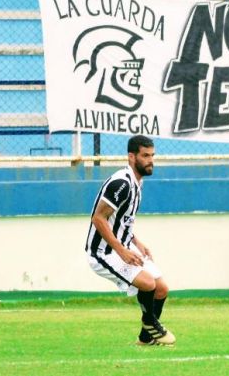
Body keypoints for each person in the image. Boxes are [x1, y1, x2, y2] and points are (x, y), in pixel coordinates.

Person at [85, 135, 175, 346]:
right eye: (145, 156)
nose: (150, 160)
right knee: (147, 283)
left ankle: (146, 338)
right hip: (103, 252)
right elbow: (98, 218)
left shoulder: (137, 183)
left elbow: (122, 221)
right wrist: (121, 250)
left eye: (152, 155)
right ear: (131, 157)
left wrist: (136, 242)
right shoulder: (122, 183)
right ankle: (151, 323)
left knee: (161, 289)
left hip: (123, 247)